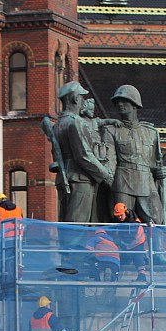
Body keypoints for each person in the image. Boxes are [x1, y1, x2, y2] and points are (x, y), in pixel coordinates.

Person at [103, 84, 166, 225]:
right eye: (117, 102)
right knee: (123, 223)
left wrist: (160, 171)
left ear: (134, 105)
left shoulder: (151, 132)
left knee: (156, 220)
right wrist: (109, 181)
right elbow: (110, 161)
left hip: (147, 182)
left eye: (124, 101)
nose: (120, 104)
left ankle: (156, 248)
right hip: (122, 182)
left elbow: (154, 163)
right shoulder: (111, 130)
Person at [51, 81, 114, 224]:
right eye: (82, 97)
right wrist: (105, 174)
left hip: (64, 178)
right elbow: (84, 156)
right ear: (75, 98)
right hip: (80, 178)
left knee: (66, 223)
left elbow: (55, 155)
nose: (83, 101)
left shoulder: (57, 124)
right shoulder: (76, 122)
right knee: (78, 224)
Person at [111, 202, 148, 280]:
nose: (120, 217)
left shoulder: (133, 222)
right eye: (118, 216)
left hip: (138, 241)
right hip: (127, 242)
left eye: (121, 215)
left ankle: (142, 276)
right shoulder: (119, 220)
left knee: (137, 256)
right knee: (123, 257)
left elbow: (130, 236)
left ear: (126, 212)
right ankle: (115, 277)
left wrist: (124, 245)